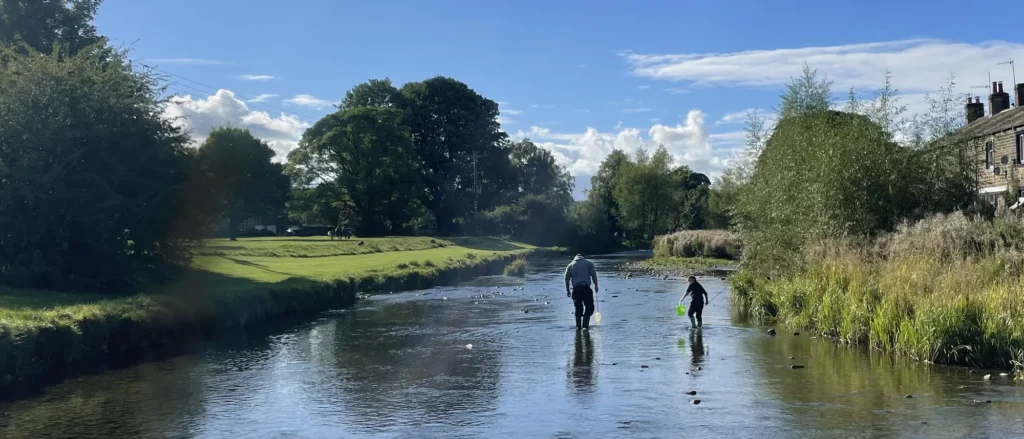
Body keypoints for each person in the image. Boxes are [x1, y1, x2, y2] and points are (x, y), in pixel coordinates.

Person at [564, 254, 599, 330]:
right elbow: (593, 275)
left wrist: (567, 290)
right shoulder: (588, 263)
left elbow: (566, 278)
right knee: (589, 307)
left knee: (578, 308)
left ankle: (578, 327)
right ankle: (585, 326)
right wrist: (596, 285)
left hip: (576, 290)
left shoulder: (570, 265)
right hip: (586, 289)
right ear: (583, 257)